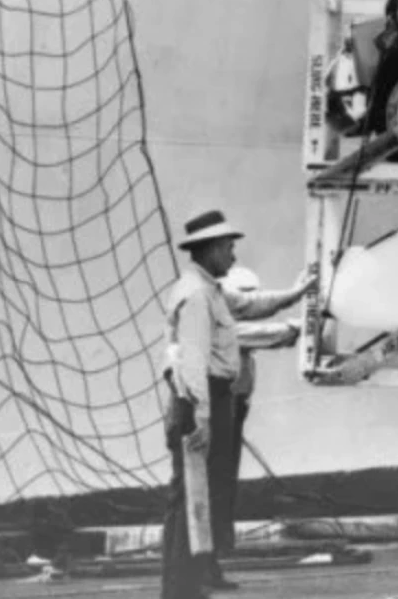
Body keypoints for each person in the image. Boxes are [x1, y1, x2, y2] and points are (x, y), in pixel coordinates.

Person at [160, 209, 245, 599]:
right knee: (190, 501)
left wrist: (297, 294)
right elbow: (193, 360)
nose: (233, 255)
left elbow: (250, 305)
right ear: (210, 249)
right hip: (201, 399)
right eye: (228, 248)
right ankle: (181, 591)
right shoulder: (196, 295)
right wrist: (203, 418)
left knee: (196, 499)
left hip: (205, 398)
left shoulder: (207, 289)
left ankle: (187, 588)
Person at [214, 264, 315, 559]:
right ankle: (215, 545)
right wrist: (300, 325)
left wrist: (296, 293)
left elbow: (259, 316)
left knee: (224, 477)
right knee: (218, 478)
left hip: (235, 407)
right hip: (221, 409)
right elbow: (264, 334)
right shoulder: (222, 328)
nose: (250, 305)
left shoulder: (228, 320)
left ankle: (220, 543)